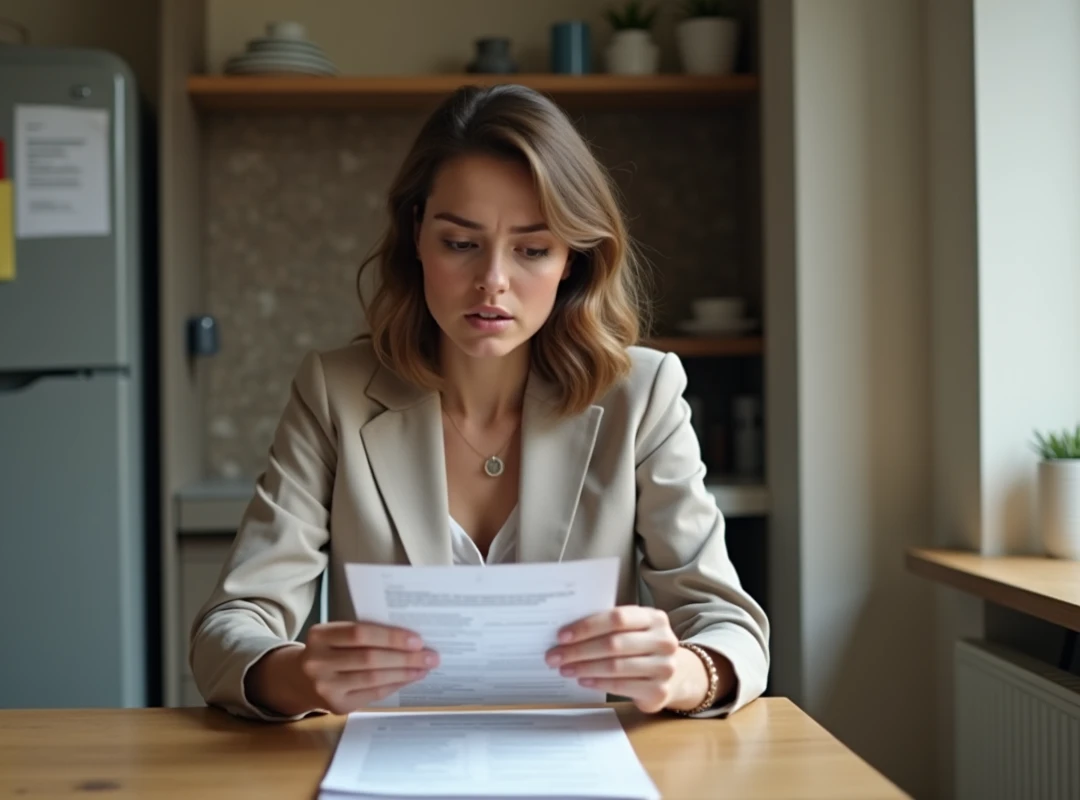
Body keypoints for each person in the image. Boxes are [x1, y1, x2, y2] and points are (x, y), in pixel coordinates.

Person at [189, 84, 769, 722]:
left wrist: (684, 672)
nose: (492, 280)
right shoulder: (335, 394)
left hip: (580, 760)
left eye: (532, 249)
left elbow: (729, 625)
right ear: (417, 234)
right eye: (461, 243)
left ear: (572, 260)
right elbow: (227, 627)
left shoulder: (642, 393)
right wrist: (299, 676)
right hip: (390, 760)